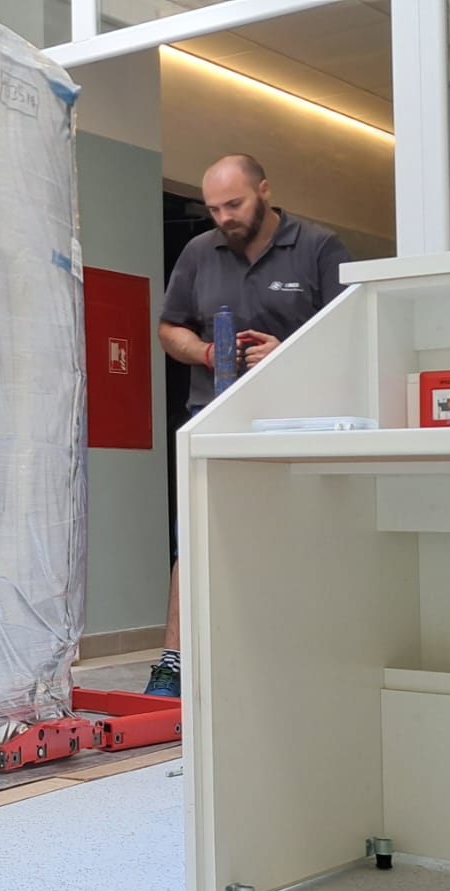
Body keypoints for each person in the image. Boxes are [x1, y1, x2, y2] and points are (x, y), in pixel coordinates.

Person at [150, 154, 353, 698]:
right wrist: (205, 351)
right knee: (196, 536)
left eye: (234, 205)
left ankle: (292, 656)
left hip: (296, 418)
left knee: (294, 536)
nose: (224, 218)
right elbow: (169, 329)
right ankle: (173, 665)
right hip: (213, 416)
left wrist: (286, 352)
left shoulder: (318, 247)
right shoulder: (199, 252)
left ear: (264, 190)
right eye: (214, 209)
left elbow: (351, 331)